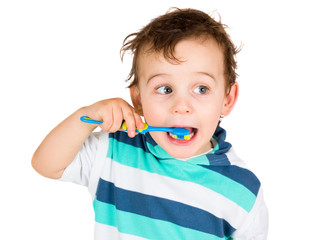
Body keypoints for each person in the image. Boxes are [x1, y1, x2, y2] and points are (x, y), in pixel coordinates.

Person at [32, 8, 268, 240]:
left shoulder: (243, 191)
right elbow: (46, 164)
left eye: (201, 89)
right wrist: (87, 116)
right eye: (165, 89)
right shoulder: (114, 151)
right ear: (138, 100)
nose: (181, 105)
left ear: (227, 99)